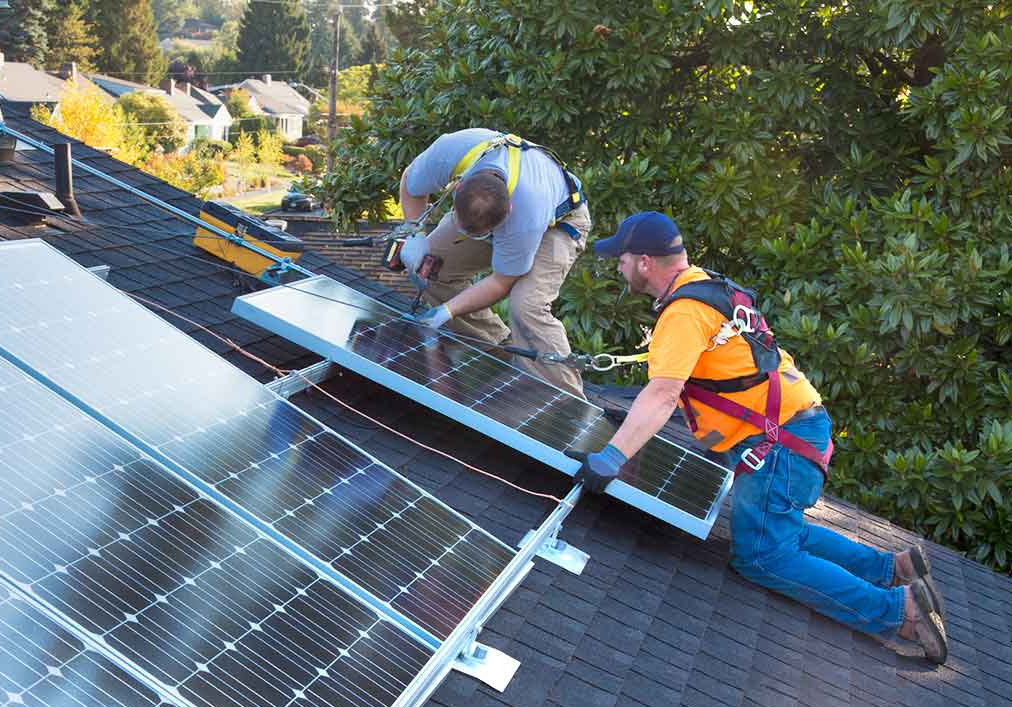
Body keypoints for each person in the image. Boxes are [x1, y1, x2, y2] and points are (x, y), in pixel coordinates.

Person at [569, 211, 949, 664]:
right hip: (797, 429)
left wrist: (612, 457)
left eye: (623, 258)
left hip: (780, 445)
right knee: (781, 528)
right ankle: (893, 569)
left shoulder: (683, 313)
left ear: (646, 261)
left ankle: (899, 612)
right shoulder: (707, 286)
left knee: (763, 555)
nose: (618, 266)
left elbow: (665, 393)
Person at [397, 128, 590, 396]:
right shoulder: (449, 152)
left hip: (559, 224)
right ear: (461, 184)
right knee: (431, 267)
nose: (468, 238)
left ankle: (566, 402)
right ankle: (498, 353)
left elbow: (502, 282)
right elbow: (410, 182)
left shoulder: (525, 215)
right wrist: (414, 232)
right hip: (494, 208)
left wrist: (447, 311)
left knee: (527, 305)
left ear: (507, 212)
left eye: (479, 235)